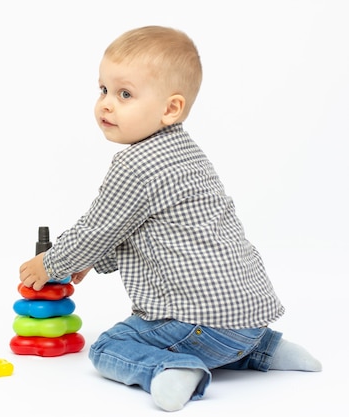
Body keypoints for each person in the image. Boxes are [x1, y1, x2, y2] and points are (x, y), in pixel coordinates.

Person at [18, 26, 321, 412]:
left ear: (170, 108)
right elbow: (139, 231)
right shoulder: (188, 154)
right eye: (103, 90)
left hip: (198, 326)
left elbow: (97, 229)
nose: (106, 104)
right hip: (250, 316)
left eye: (124, 94)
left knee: (107, 346)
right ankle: (264, 349)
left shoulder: (135, 164)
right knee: (227, 332)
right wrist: (92, 261)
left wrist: (51, 262)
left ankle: (172, 368)